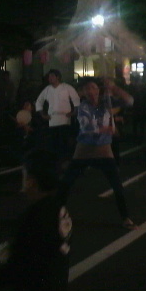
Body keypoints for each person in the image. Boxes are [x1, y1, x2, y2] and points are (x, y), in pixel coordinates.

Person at [0, 148, 72, 291]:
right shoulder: (59, 209)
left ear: (32, 181)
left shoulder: (33, 217)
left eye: (25, 174)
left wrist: (4, 262)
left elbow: (20, 265)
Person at [58, 77, 137, 230]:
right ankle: (54, 214)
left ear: (98, 90)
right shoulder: (82, 107)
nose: (91, 91)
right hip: (84, 150)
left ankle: (126, 218)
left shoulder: (107, 102)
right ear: (82, 93)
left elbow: (130, 101)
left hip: (104, 150)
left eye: (94, 88)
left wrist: (114, 87)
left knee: (117, 185)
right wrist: (108, 128)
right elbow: (87, 128)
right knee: (66, 184)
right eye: (87, 89)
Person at [35, 69, 81, 165]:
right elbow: (39, 101)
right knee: (54, 141)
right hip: (53, 118)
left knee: (64, 141)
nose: (50, 78)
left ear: (58, 77)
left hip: (65, 118)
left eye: (52, 76)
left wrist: (74, 112)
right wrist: (43, 115)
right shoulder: (47, 89)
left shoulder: (66, 87)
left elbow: (76, 99)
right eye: (49, 77)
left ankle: (65, 161)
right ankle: (55, 162)